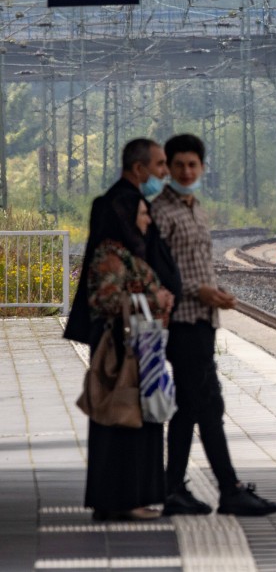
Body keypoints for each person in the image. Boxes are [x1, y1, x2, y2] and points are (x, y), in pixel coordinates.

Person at [150, 133, 276, 518]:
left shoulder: (195, 208)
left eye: (193, 165)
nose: (187, 172)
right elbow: (159, 270)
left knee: (191, 407)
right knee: (207, 404)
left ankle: (174, 488)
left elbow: (195, 266)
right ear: (167, 168)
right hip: (182, 322)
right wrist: (200, 291)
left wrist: (216, 291)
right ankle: (229, 489)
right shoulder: (161, 212)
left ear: (202, 167)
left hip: (204, 320)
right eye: (179, 165)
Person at [84, 196, 175, 521]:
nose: (147, 220)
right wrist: (153, 298)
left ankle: (132, 497)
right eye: (141, 214)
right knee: (125, 420)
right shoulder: (110, 255)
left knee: (137, 420)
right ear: (124, 218)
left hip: (139, 350)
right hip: (125, 354)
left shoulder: (125, 252)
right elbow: (104, 299)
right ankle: (122, 499)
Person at [66, 139, 183, 346]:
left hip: (134, 329)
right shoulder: (124, 204)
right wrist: (157, 297)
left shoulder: (124, 202)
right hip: (122, 334)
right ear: (138, 168)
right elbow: (137, 258)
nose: (165, 172)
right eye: (159, 164)